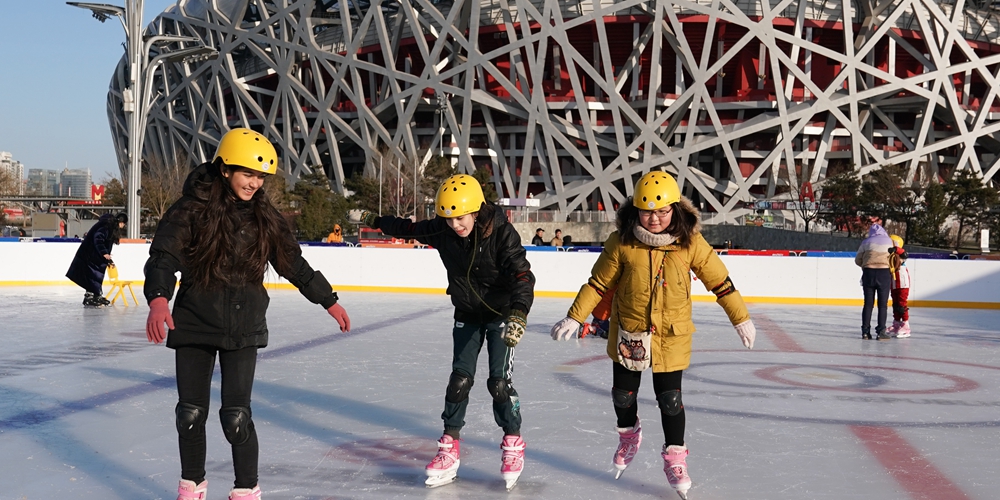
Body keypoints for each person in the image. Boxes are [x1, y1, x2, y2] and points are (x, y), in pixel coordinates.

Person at [144, 128, 351, 500]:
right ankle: (191, 486)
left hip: (243, 324)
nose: (255, 183)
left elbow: (294, 265)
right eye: (247, 173)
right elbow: (164, 255)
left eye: (260, 177)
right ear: (224, 169)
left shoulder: (265, 216)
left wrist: (328, 299)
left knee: (235, 417)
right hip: (194, 320)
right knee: (189, 414)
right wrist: (159, 297)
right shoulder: (190, 208)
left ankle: (246, 490)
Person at [549, 170, 755, 499]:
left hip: (671, 335)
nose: (655, 218)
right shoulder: (622, 241)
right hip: (630, 331)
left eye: (662, 211)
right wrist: (576, 316)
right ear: (636, 209)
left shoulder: (691, 242)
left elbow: (721, 282)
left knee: (670, 400)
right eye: (647, 211)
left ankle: (675, 458)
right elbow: (598, 284)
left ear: (675, 208)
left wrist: (740, 318)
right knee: (623, 396)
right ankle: (629, 436)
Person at [347, 174, 535, 490]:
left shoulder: (502, 234)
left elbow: (522, 276)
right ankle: (449, 446)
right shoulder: (443, 230)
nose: (454, 225)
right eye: (448, 219)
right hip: (466, 312)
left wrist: (518, 313)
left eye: (460, 218)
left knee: (499, 384)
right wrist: (374, 220)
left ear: (476, 210)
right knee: (459, 380)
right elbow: (407, 229)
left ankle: (513, 442)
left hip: (501, 314)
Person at [66, 212, 127, 307]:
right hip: (90, 254)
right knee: (92, 275)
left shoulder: (109, 226)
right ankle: (89, 296)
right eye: (124, 224)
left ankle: (96, 294)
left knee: (96, 275)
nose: (123, 226)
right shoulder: (107, 226)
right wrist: (104, 252)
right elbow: (98, 238)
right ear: (121, 222)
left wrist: (107, 256)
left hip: (94, 255)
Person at [855, 223, 893, 340]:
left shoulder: (866, 242)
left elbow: (857, 260)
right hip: (884, 273)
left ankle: (865, 332)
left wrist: (866, 264)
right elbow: (897, 258)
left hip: (869, 273)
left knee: (868, 304)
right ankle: (881, 331)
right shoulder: (891, 242)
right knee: (882, 305)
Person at [887, 234, 911, 338]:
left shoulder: (900, 254)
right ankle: (896, 323)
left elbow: (904, 254)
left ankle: (905, 325)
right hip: (893, 282)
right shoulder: (890, 255)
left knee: (902, 304)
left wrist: (895, 249)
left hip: (902, 282)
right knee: (895, 304)